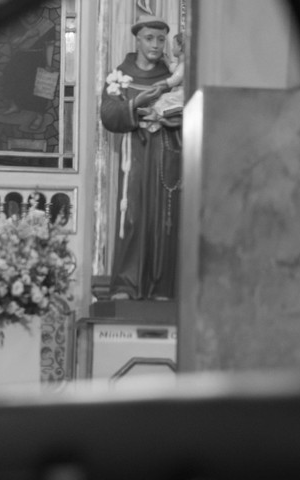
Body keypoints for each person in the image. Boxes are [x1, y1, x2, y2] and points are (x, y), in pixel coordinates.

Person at [101, 14, 182, 301]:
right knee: (133, 215)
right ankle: (126, 285)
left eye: (161, 39)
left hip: (165, 154)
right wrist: (135, 106)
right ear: (137, 39)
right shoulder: (119, 76)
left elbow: (190, 111)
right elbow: (109, 114)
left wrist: (171, 118)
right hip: (135, 155)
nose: (156, 45)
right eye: (150, 38)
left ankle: (161, 287)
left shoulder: (173, 77)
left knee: (164, 220)